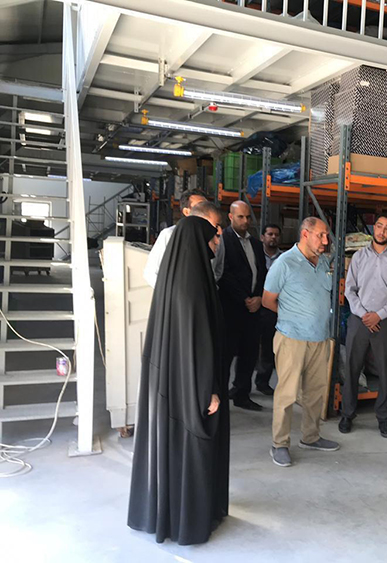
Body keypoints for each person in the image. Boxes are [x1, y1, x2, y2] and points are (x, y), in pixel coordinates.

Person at [128, 212, 228, 545]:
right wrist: (208, 392)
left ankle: (167, 516)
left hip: (172, 383)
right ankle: (188, 523)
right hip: (192, 387)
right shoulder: (193, 286)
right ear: (197, 241)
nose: (217, 242)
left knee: (171, 448)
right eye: (213, 237)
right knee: (192, 450)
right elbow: (198, 345)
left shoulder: (173, 280)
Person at [262, 217, 340, 467]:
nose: (325, 241)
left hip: (320, 339)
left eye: (326, 235)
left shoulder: (324, 262)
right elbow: (267, 300)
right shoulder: (284, 263)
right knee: (286, 395)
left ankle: (310, 437)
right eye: (321, 235)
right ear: (305, 234)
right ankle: (279, 444)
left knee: (315, 394)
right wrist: (291, 316)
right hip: (292, 339)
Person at [339, 212, 387, 438]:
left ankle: (384, 418)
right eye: (379, 226)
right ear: (373, 228)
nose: (382, 231)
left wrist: (379, 315)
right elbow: (349, 289)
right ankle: (347, 414)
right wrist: (364, 314)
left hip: (385, 322)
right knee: (352, 368)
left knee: (386, 372)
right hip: (359, 321)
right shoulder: (359, 257)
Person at [213, 201, 269, 410]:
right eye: (240, 217)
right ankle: (219, 396)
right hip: (231, 308)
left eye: (247, 217)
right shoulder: (223, 240)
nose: (245, 221)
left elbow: (262, 272)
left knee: (249, 353)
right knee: (226, 354)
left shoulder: (255, 243)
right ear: (230, 217)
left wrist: (259, 297)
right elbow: (223, 273)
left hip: (254, 308)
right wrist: (244, 298)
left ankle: (241, 393)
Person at [143, 189, 207, 288]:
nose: (206, 211)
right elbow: (151, 272)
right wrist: (170, 294)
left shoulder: (213, 237)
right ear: (186, 211)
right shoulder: (169, 235)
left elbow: (217, 269)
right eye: (199, 207)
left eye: (207, 206)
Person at [254, 223, 284, 395]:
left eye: (276, 234)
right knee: (251, 344)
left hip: (274, 306)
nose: (273, 237)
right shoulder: (256, 255)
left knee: (268, 345)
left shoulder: (284, 258)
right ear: (262, 237)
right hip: (255, 303)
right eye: (270, 234)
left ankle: (263, 381)